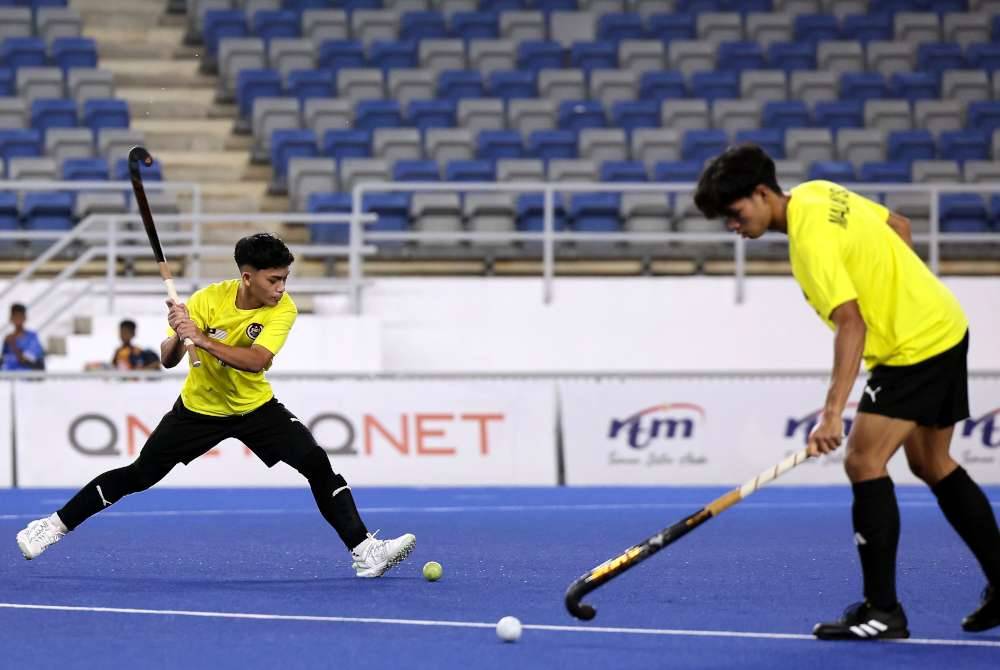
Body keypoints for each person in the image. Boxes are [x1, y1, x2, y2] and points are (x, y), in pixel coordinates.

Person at [693, 144, 1000, 639]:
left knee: (863, 461)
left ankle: (883, 611)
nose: (733, 225)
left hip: (914, 348)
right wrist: (907, 292)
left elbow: (851, 324)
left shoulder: (808, 244)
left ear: (763, 193)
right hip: (942, 324)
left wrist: (832, 413)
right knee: (932, 463)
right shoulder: (817, 192)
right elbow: (898, 225)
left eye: (735, 212)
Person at [16, 233, 415, 578]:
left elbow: (256, 360)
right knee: (139, 475)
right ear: (247, 277)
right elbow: (168, 359)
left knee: (316, 462)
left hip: (255, 408)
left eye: (284, 279)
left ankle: (365, 550)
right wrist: (179, 333)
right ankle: (52, 526)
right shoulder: (208, 299)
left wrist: (203, 339)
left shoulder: (283, 309)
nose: (281, 288)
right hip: (198, 410)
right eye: (274, 279)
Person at [2, 303, 45, 371]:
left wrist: (15, 347)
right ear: (11, 318)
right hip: (9, 375)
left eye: (20, 317)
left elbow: (34, 359)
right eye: (15, 316)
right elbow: (4, 359)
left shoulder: (32, 337)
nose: (18, 320)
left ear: (25, 318)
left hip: (26, 375)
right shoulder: (8, 338)